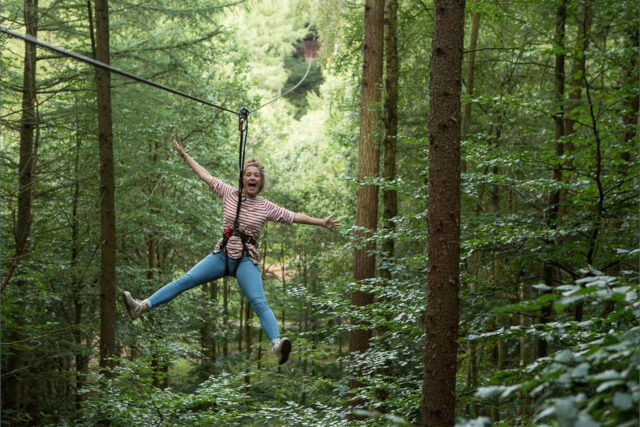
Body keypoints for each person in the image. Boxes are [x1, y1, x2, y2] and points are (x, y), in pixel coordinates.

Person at [123, 139, 340, 365]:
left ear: (261, 181)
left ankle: (276, 344)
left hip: (246, 260)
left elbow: (294, 216)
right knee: (186, 280)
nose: (252, 178)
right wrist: (185, 156)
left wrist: (321, 222)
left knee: (259, 301)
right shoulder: (228, 193)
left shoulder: (266, 206)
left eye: (256, 175)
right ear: (242, 178)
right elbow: (205, 175)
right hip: (222, 255)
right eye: (249, 174)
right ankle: (141, 306)